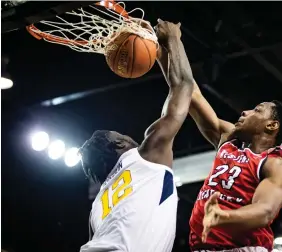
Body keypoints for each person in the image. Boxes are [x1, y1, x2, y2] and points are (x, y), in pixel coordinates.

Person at [78, 19, 194, 252]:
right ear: (119, 144)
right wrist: (172, 38)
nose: (129, 136)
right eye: (121, 133)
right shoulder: (143, 156)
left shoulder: (97, 207)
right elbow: (183, 84)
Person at [187, 80, 282, 251]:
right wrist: (168, 54)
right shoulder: (229, 140)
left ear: (271, 125)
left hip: (245, 248)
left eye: (257, 110)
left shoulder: (275, 164)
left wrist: (224, 216)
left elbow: (265, 211)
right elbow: (191, 93)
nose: (245, 112)